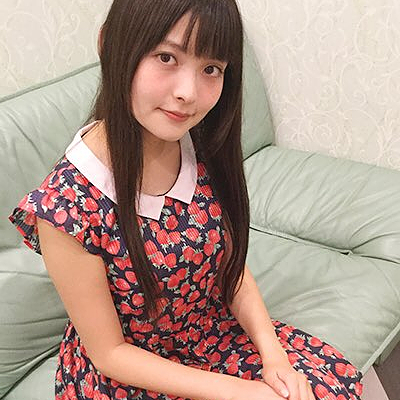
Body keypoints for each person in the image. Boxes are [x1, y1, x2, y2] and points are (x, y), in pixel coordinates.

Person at [8, 1, 364, 399]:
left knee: (326, 385)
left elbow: (230, 268)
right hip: (132, 376)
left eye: (211, 69)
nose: (188, 94)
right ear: (109, 44)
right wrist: (243, 393)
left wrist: (274, 356)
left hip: (212, 336)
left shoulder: (198, 144)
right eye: (166, 57)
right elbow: (110, 354)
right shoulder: (64, 206)